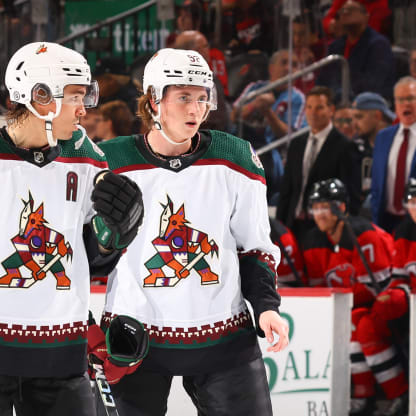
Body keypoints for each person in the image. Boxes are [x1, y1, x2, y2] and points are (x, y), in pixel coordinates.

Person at [93, 48, 289, 416]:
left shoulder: (236, 159)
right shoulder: (108, 162)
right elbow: (88, 255)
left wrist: (266, 307)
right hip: (134, 338)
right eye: (183, 97)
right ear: (153, 100)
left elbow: (255, 247)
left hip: (223, 338)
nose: (196, 109)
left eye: (202, 98)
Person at [0, 42, 144, 416]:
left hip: (60, 356)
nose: (85, 108)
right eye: (75, 96)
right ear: (39, 96)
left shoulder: (86, 156)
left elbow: (90, 260)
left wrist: (112, 239)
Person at [303, 178, 409, 416]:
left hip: (389, 302)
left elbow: (380, 289)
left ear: (340, 208)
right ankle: (363, 395)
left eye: (324, 207)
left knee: (363, 327)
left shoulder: (364, 235)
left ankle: (398, 393)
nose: (318, 213)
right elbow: (318, 290)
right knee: (352, 325)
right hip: (355, 308)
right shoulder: (312, 241)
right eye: (315, 207)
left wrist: (344, 308)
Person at [276, 86, 361, 241]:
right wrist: (280, 227)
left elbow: (351, 195)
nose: (313, 113)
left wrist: (343, 233)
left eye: (319, 107)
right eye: (309, 107)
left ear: (331, 110)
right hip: (293, 225)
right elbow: (287, 190)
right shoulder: (297, 144)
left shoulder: (345, 147)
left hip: (325, 229)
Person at [232, 49, 307, 202]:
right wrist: (255, 105)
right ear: (271, 68)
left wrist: (268, 112)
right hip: (246, 147)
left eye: (294, 65)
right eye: (284, 63)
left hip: (274, 156)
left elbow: (290, 136)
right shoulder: (254, 88)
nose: (288, 68)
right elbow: (234, 116)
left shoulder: (298, 97)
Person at [317, 0, 395, 102]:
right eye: (342, 11)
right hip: (337, 103)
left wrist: (341, 95)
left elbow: (373, 83)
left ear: (366, 16)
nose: (345, 13)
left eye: (350, 10)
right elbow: (323, 79)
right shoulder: (335, 46)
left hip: (368, 103)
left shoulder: (378, 44)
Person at [371, 76, 416, 232]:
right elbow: (376, 183)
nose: (405, 103)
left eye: (410, 98)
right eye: (400, 99)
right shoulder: (383, 137)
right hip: (385, 221)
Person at [351, 92, 395, 213]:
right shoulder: (356, 146)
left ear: (377, 115)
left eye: (359, 117)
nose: (354, 124)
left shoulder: (398, 144)